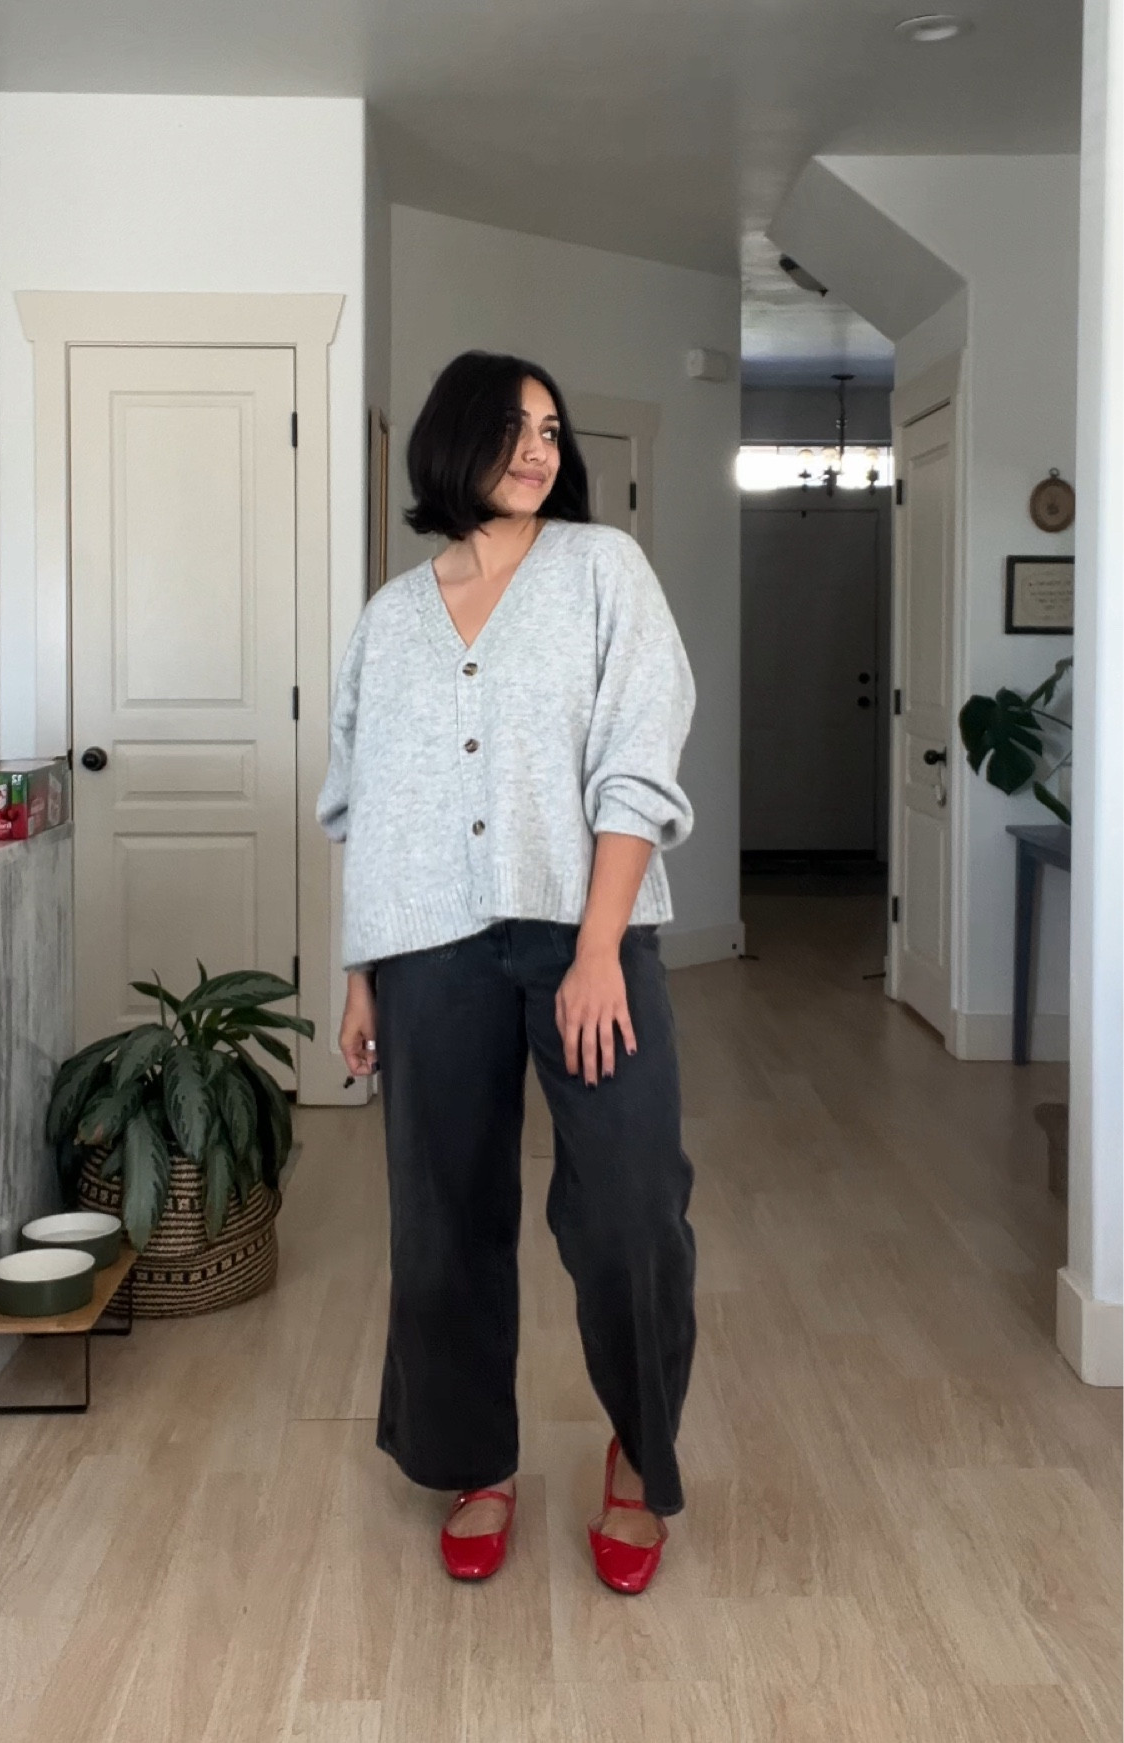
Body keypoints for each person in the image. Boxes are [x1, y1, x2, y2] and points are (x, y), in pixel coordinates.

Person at [317, 350, 697, 1595]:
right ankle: (476, 1459)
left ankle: (638, 1457)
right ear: (452, 442)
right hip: (427, 945)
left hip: (586, 935)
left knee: (632, 1211)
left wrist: (598, 950)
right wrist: (364, 972)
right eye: (511, 426)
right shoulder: (389, 616)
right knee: (442, 1216)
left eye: (551, 427)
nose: (538, 447)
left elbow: (640, 753)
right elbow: (362, 806)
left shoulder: (603, 572)